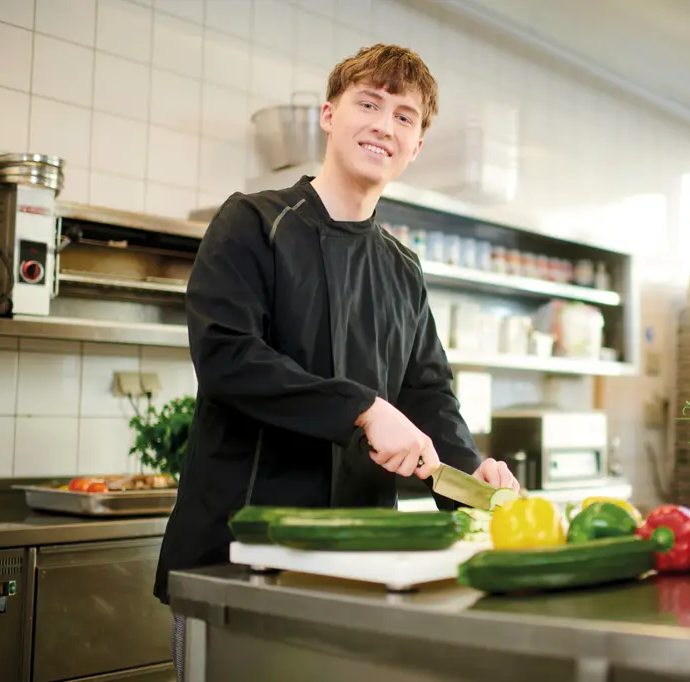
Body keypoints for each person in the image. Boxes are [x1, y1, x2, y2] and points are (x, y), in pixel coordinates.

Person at [154, 44, 520, 679]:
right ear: (329, 115)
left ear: (416, 146)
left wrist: (471, 485)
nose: (385, 125)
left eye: (405, 116)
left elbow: (430, 394)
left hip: (361, 563)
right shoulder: (251, 222)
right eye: (369, 103)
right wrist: (364, 409)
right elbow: (227, 357)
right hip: (239, 557)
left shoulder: (403, 269)